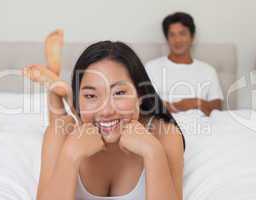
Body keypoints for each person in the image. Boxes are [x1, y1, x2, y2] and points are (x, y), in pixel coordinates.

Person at [22, 30, 185, 200]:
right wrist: (69, 156)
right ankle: (56, 81)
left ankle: (61, 87)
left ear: (140, 96)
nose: (106, 110)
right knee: (62, 124)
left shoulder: (167, 135)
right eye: (90, 95)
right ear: (79, 100)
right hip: (76, 122)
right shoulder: (59, 134)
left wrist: (153, 152)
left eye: (119, 93)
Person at [145, 12, 224, 116]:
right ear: (167, 39)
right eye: (172, 35)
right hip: (164, 125)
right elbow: (145, 103)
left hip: (201, 126)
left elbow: (217, 108)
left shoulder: (208, 70)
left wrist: (194, 102)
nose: (177, 40)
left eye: (182, 34)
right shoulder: (151, 67)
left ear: (192, 37)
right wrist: (180, 105)